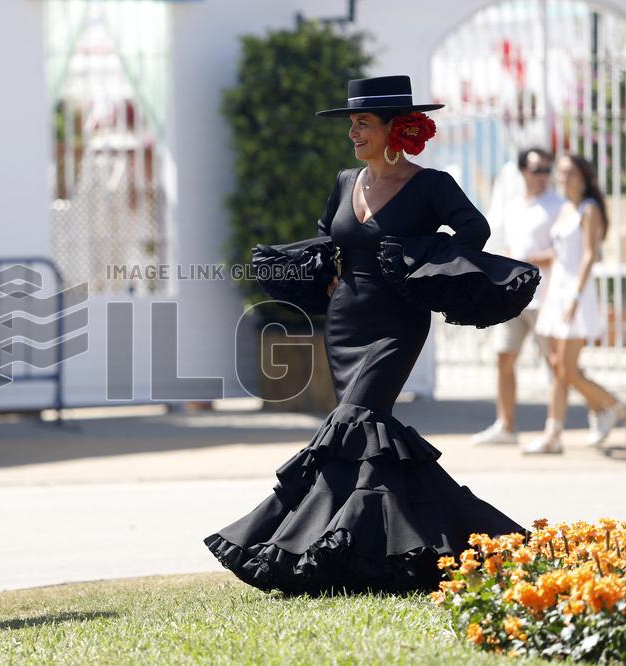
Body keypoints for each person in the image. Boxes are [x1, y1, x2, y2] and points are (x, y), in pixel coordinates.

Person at [204, 76, 524, 596]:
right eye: (351, 123)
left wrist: (418, 260)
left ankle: (310, 545)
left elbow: (474, 230)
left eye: (363, 123)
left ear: (397, 129)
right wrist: (330, 270)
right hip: (345, 322)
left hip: (397, 324)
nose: (353, 132)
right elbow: (329, 235)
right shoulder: (345, 180)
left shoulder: (432, 184)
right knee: (366, 437)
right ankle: (390, 552)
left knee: (355, 422)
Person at [524, 154, 626, 454]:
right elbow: (560, 253)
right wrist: (533, 259)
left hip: (577, 294)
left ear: (584, 177)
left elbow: (589, 254)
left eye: (570, 173)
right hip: (557, 292)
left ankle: (624, 412)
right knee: (559, 367)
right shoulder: (565, 209)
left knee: (568, 370)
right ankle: (560, 431)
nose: (564, 178)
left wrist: (575, 297)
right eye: (561, 172)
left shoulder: (589, 210)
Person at [471, 147, 561, 445]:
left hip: (546, 297)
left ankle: (562, 425)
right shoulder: (512, 207)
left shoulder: (558, 205)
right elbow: (508, 247)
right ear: (523, 171)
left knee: (558, 365)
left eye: (547, 170)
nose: (543, 176)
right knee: (503, 357)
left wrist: (529, 261)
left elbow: (563, 250)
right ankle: (506, 426)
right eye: (537, 170)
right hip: (515, 297)